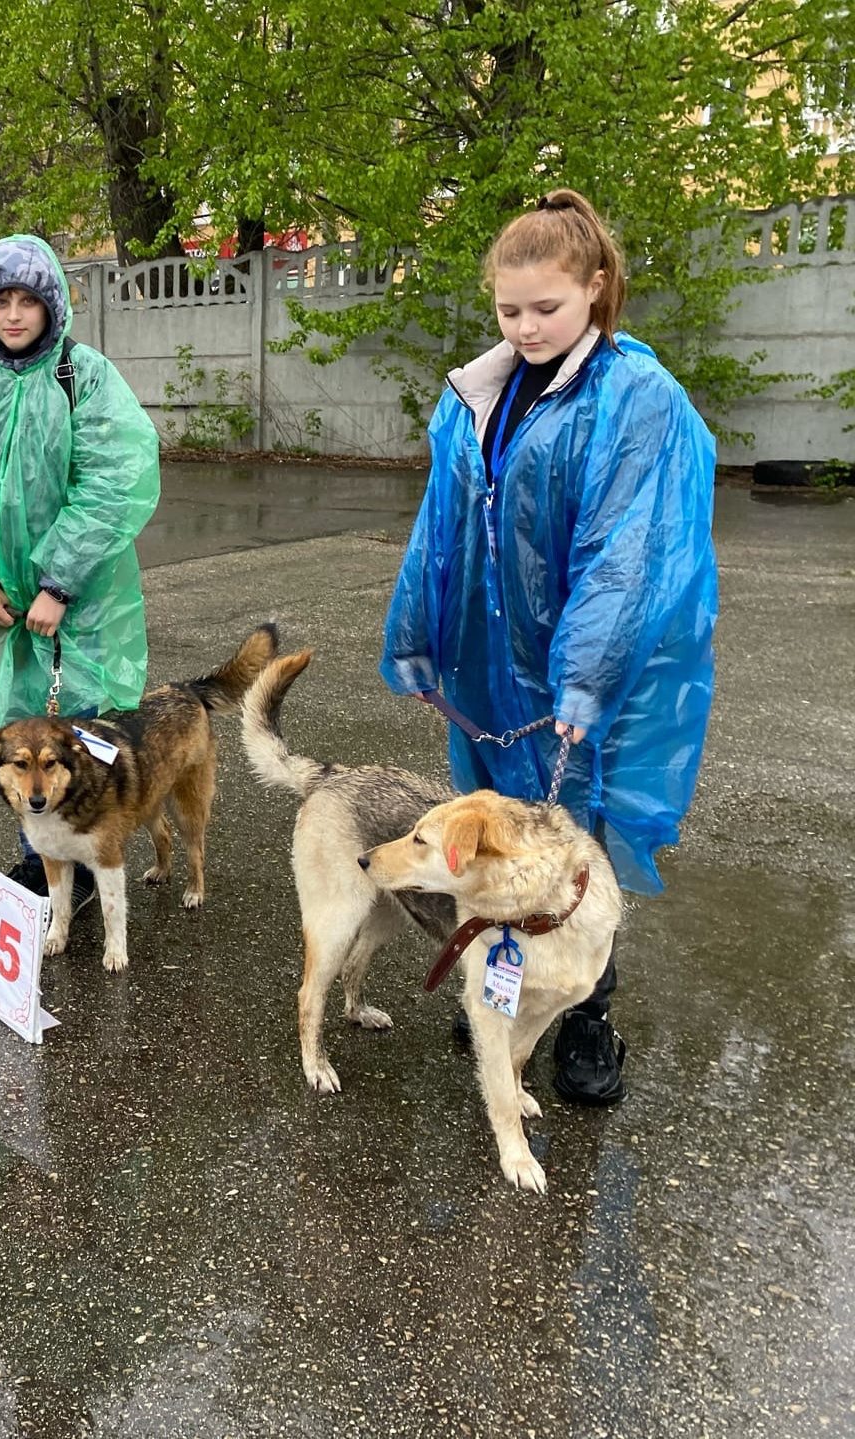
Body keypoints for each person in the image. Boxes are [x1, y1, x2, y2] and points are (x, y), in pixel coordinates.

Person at [381, 189, 719, 1107]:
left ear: (598, 289)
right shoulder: (475, 394)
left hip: (577, 679)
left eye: (547, 308)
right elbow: (439, 526)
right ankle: (504, 987)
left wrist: (585, 675)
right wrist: (415, 638)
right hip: (492, 672)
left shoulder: (635, 397)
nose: (526, 327)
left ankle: (587, 1011)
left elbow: (629, 552)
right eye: (508, 308)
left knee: (573, 848)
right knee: (494, 842)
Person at [0, 234, 161, 894]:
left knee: (80, 730)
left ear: (53, 305)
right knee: (23, 734)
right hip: (1, 602)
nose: (15, 314)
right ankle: (44, 856)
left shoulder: (82, 376)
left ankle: (82, 862)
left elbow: (115, 478)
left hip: (79, 602)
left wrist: (59, 580)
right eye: (2, 300)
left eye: (29, 299)